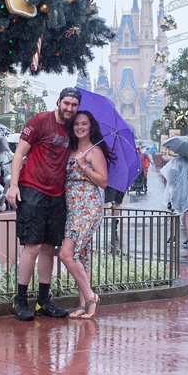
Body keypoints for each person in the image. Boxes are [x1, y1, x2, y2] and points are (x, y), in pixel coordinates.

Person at [6, 88, 80, 321]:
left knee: (49, 248)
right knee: (33, 246)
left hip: (57, 195)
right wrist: (14, 185)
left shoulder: (72, 130)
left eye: (74, 105)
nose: (69, 108)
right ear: (58, 101)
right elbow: (19, 153)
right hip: (33, 190)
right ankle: (19, 301)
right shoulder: (39, 121)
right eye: (66, 103)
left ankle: (43, 302)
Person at [60, 111, 111, 319]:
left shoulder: (94, 151)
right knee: (82, 256)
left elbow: (103, 181)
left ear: (91, 126)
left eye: (84, 124)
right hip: (72, 207)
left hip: (88, 206)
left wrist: (83, 167)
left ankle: (90, 296)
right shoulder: (71, 149)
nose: (80, 127)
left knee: (66, 254)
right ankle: (84, 305)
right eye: (77, 124)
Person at [161, 153, 188, 249]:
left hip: (177, 193)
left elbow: (169, 175)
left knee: (173, 214)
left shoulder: (176, 161)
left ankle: (172, 237)